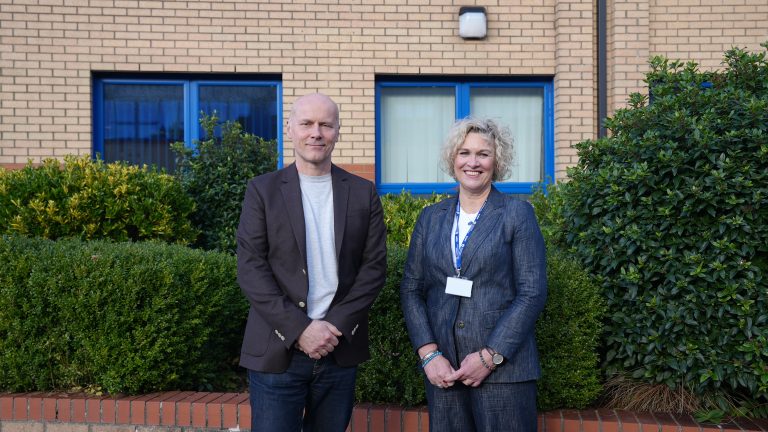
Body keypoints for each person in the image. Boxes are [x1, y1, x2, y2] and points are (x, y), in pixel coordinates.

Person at [236, 93, 387, 432]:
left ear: (338, 131)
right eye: (306, 123)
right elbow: (251, 268)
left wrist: (334, 325)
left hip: (338, 349)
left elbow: (374, 268)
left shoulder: (363, 192)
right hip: (278, 351)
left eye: (325, 125)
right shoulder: (262, 191)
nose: (316, 133)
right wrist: (300, 329)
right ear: (290, 128)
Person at [399, 117, 548, 431]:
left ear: (497, 161)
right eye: (464, 153)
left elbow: (532, 292)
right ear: (452, 158)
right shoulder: (430, 218)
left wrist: (490, 356)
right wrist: (428, 354)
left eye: (483, 154)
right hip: (445, 372)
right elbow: (411, 289)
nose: (473, 162)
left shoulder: (517, 214)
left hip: (504, 374)